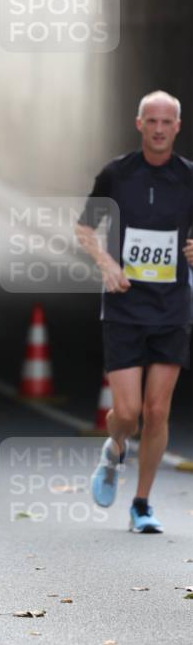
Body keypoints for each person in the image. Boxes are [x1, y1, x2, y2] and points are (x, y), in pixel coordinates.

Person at [77, 91, 193, 533]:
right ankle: (113, 448)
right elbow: (85, 226)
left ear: (177, 127)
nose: (160, 128)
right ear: (139, 123)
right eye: (152, 121)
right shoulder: (117, 174)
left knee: (157, 410)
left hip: (172, 306)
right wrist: (106, 263)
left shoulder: (188, 178)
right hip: (125, 306)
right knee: (127, 413)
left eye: (168, 121)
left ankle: (142, 504)